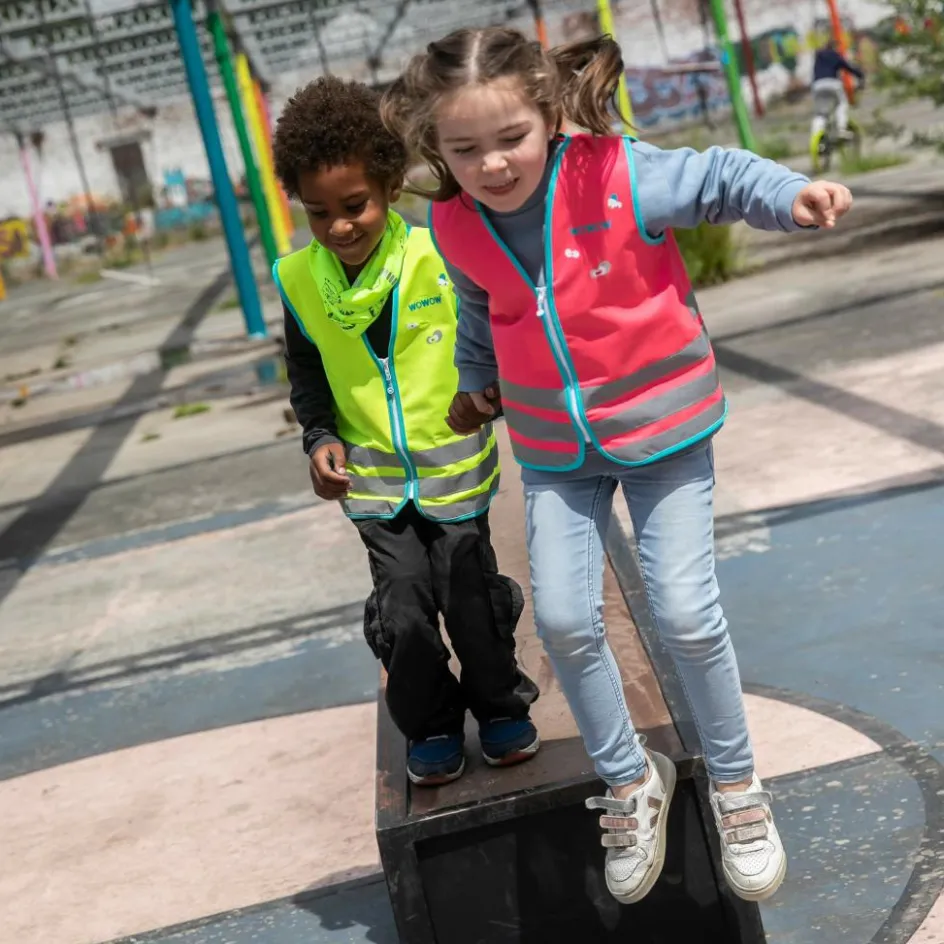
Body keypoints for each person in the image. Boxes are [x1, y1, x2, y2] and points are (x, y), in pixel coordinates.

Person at [382, 27, 853, 903]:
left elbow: (720, 175)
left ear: (549, 114)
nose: (492, 164)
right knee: (564, 620)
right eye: (465, 148)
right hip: (556, 450)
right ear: (436, 148)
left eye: (511, 137)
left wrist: (791, 194)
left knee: (686, 613)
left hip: (663, 429)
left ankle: (738, 787)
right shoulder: (452, 223)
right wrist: (477, 382)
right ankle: (632, 780)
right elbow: (483, 308)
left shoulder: (616, 171)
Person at [272, 75, 540, 787]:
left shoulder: (437, 254)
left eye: (354, 205)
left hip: (454, 480)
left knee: (470, 600)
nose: (339, 226)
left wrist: (489, 395)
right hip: (376, 491)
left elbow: (486, 337)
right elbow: (307, 373)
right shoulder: (299, 282)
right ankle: (431, 725)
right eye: (318, 212)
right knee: (405, 614)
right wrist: (319, 439)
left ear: (390, 186)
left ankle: (501, 706)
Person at [812, 38, 864, 137]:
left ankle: (816, 135)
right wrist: (860, 75)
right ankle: (841, 129)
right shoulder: (835, 55)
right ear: (835, 47)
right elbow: (848, 67)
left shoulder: (818, 56)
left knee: (821, 113)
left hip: (817, 85)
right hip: (832, 84)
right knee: (841, 104)